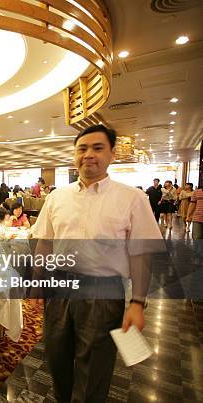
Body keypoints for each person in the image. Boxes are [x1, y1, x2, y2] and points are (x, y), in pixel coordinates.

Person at [30, 124, 163, 403]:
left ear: (112, 154)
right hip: (59, 288)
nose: (89, 154)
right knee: (57, 361)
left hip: (103, 293)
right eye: (82, 148)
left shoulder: (132, 198)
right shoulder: (57, 196)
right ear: (74, 155)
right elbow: (44, 242)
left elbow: (142, 255)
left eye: (97, 148)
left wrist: (137, 303)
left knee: (94, 371)